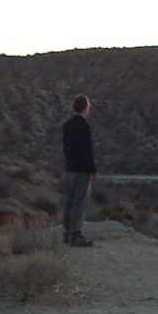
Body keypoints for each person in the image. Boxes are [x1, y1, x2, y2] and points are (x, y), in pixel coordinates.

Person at [61, 94, 97, 246]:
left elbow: (65, 148)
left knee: (68, 201)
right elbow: (87, 150)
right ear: (85, 108)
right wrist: (92, 169)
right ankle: (75, 235)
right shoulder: (84, 126)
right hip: (82, 169)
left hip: (70, 168)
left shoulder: (67, 125)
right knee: (79, 202)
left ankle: (67, 232)